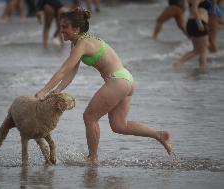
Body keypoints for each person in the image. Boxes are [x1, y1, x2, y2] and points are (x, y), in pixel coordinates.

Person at [35, 9, 172, 164]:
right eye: (61, 26)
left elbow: (62, 71)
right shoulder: (78, 44)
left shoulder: (82, 44)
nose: (61, 30)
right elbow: (70, 73)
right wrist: (57, 90)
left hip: (117, 80)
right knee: (119, 125)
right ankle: (159, 135)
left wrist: (43, 91)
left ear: (77, 29)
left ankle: (93, 158)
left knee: (89, 117)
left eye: (65, 26)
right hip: (126, 79)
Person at [175, 0, 209, 71]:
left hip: (193, 23)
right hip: (198, 23)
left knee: (200, 50)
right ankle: (178, 63)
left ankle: (202, 69)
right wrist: (199, 23)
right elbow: (194, 9)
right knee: (200, 50)